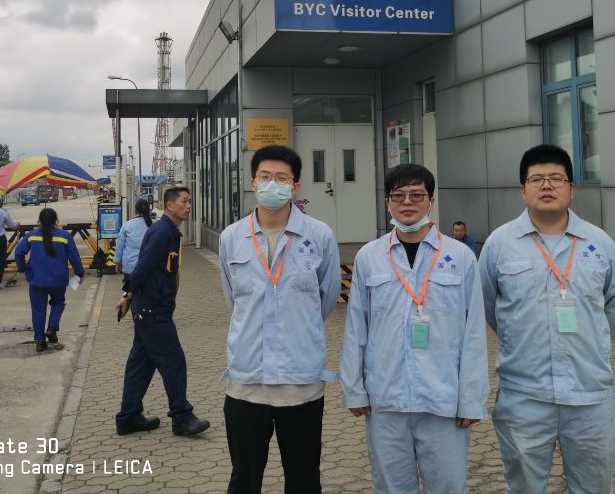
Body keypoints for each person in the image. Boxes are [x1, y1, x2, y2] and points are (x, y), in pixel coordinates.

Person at [479, 144, 615, 493]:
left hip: (589, 394)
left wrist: (586, 336)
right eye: (536, 179)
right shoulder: (499, 244)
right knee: (524, 487)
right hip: (524, 395)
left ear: (571, 189)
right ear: (523, 189)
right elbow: (489, 307)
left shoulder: (599, 242)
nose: (546, 185)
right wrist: (522, 336)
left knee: (594, 487)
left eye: (556, 178)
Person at [341, 163, 489, 494]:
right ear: (387, 203)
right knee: (390, 487)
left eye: (417, 195)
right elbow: (356, 329)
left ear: (431, 201)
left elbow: (474, 333)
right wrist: (354, 389)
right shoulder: (369, 257)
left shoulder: (460, 257)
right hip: (386, 399)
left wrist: (472, 398)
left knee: (448, 487)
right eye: (399, 195)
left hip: (443, 399)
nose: (407, 202)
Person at [219, 145, 340, 494]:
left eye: (282, 178)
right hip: (247, 383)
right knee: (244, 480)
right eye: (265, 176)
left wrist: (296, 323)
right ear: (253, 182)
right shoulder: (231, 238)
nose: (273, 184)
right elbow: (234, 300)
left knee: (304, 480)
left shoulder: (320, 236)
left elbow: (326, 298)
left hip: (301, 384)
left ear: (295, 186)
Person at [114, 187, 209, 437]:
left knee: (140, 364)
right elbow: (143, 266)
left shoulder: (168, 231)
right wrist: (127, 293)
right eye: (184, 201)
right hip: (152, 309)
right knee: (173, 360)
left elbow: (149, 268)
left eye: (190, 201)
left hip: (149, 307)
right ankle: (182, 417)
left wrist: (129, 296)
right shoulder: (162, 231)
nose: (188, 206)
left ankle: (128, 417)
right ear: (169, 205)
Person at [13, 208, 85, 352]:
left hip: (37, 280)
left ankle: (40, 341)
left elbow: (19, 252)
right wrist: (79, 273)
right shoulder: (64, 236)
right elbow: (74, 257)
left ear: (39, 220)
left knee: (38, 309)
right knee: (58, 302)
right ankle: (52, 327)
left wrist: (23, 268)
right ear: (55, 221)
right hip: (58, 280)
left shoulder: (31, 236)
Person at [115, 199, 153, 275]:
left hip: (130, 267)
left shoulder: (127, 225)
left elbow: (120, 245)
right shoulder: (154, 225)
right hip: (150, 267)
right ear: (149, 210)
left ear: (135, 210)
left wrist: (118, 262)